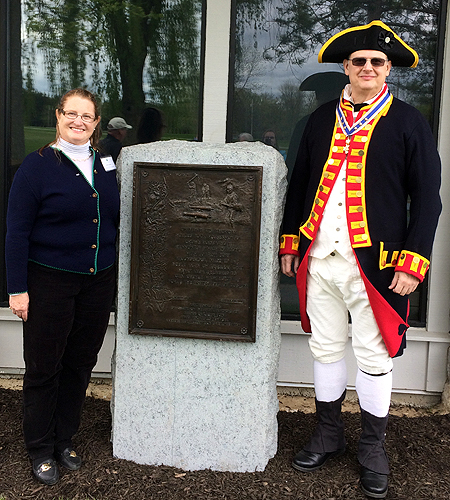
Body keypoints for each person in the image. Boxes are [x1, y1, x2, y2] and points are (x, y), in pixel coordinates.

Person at [279, 20, 441, 499]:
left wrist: (414, 260)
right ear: (346, 67)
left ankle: (372, 446)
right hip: (321, 257)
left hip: (377, 264)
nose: (367, 68)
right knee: (325, 348)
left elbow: (427, 198)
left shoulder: (409, 121)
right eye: (358, 61)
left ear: (388, 69)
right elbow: (301, 182)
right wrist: (292, 241)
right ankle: (328, 433)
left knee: (373, 355)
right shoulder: (320, 118)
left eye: (376, 61)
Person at [5, 88, 120, 486]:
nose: (79, 122)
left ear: (96, 123)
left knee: (79, 363)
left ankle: (64, 439)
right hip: (48, 280)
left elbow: (113, 216)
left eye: (87, 117)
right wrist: (17, 288)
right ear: (58, 117)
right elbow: (16, 232)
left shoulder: (105, 162)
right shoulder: (36, 168)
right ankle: (39, 447)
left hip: (97, 280)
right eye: (72, 114)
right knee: (44, 367)